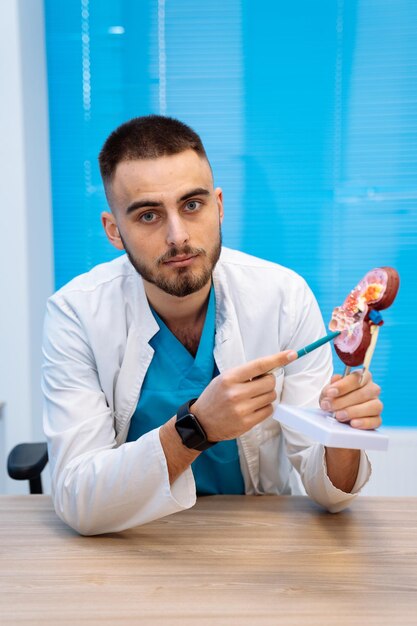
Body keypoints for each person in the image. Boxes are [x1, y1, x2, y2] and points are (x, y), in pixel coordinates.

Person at [42, 115, 382, 535]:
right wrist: (197, 428)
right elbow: (78, 500)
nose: (178, 236)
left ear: (217, 206)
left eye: (192, 205)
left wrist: (342, 433)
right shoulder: (76, 312)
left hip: (255, 541)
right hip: (132, 544)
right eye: (149, 215)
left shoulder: (282, 297)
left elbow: (329, 494)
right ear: (114, 230)